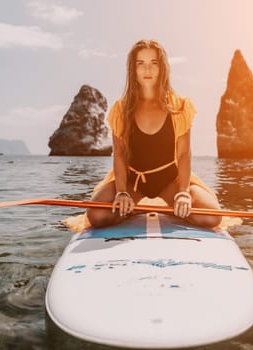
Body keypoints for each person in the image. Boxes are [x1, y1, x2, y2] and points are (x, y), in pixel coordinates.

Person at [86, 39, 221, 228]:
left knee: (212, 217)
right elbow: (120, 154)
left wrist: (183, 193)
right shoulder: (121, 109)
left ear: (162, 68)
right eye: (140, 64)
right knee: (97, 216)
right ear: (133, 69)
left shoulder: (179, 107)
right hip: (133, 183)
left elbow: (183, 154)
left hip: (170, 182)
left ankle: (176, 206)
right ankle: (132, 207)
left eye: (153, 63)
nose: (147, 70)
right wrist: (122, 192)